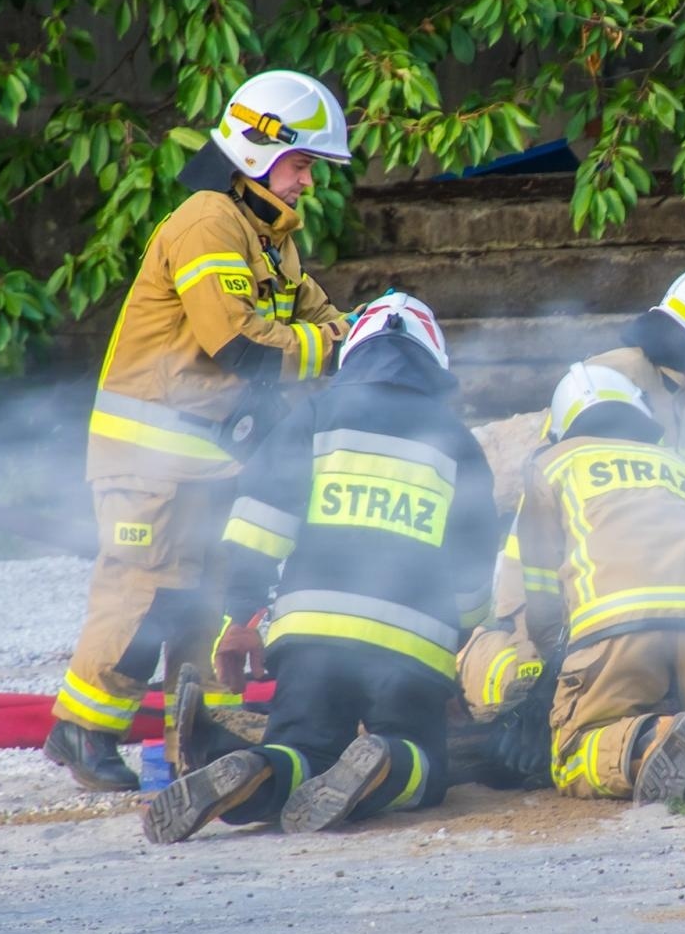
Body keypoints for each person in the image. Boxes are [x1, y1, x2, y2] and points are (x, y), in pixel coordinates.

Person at [46, 71, 360, 791]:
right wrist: (329, 347)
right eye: (301, 164)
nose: (308, 182)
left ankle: (198, 743)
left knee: (202, 603)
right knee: (147, 594)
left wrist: (348, 333)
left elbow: (322, 316)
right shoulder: (207, 223)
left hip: (206, 459)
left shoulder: (270, 239)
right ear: (257, 151)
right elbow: (241, 344)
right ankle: (82, 730)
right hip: (149, 459)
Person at [143, 293, 499, 842]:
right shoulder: (456, 441)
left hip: (312, 636)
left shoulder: (314, 416)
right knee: (424, 766)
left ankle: (258, 769)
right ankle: (386, 759)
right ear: (434, 360)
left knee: (303, 747)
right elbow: (473, 572)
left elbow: (258, 525)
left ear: (354, 351)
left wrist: (241, 620)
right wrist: (460, 641)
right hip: (410, 648)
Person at [456, 264, 685, 725]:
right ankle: (517, 704)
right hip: (547, 574)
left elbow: (684, 499)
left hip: (615, 584)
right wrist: (545, 643)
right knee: (529, 678)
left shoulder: (666, 386)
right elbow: (550, 496)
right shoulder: (613, 376)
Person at [514, 362, 685, 805]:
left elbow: (541, 591)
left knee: (576, 749)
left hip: (615, 623)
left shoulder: (550, 465)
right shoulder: (673, 463)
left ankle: (648, 739)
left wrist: (555, 659)